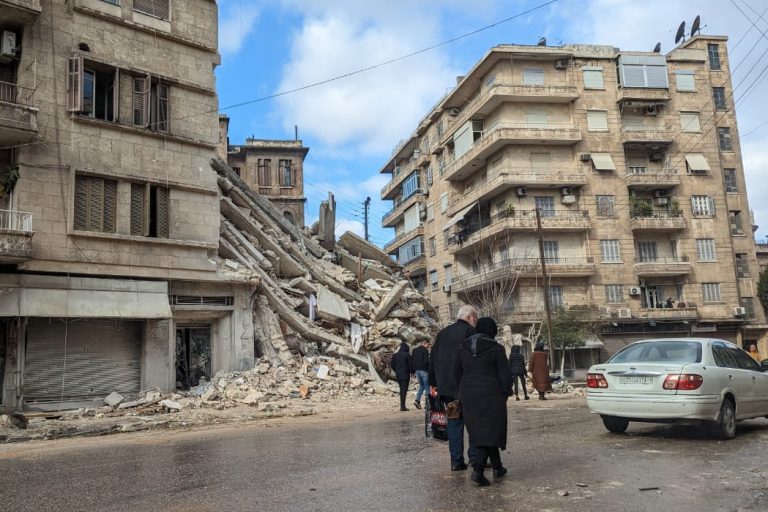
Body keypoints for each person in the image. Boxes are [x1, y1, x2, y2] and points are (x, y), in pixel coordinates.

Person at [455, 317, 511, 486]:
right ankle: (478, 470)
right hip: (492, 393)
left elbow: (456, 373)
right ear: (493, 330)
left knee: (480, 430)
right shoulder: (497, 349)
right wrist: (505, 392)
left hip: (468, 393)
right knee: (491, 431)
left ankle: (498, 467)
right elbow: (506, 376)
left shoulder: (462, 348)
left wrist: (462, 391)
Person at [429, 304, 478, 471]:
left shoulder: (442, 334)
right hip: (467, 388)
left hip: (448, 391)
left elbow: (433, 358)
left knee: (454, 422)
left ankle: (456, 461)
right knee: (473, 423)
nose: (475, 322)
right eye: (475, 319)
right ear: (470, 317)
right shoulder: (470, 332)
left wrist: (433, 383)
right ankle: (474, 457)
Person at [390, 342, 412, 411]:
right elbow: (410, 364)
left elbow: (392, 365)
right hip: (405, 375)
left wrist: (396, 370)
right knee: (403, 390)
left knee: (401, 389)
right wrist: (412, 372)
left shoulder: (395, 355)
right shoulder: (407, 355)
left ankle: (402, 405)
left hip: (398, 375)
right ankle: (402, 406)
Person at [411, 340, 430, 409]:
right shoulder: (425, 350)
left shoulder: (414, 350)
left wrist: (413, 371)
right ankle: (427, 404)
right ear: (425, 343)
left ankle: (417, 400)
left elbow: (412, 361)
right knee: (427, 387)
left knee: (421, 386)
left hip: (417, 371)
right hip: (424, 371)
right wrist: (429, 370)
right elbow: (426, 361)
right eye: (428, 345)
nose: (428, 347)